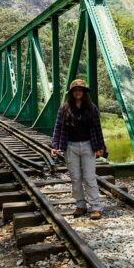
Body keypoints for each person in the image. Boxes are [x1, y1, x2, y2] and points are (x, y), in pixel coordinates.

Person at [51, 79, 107, 220]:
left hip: (88, 146)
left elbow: (97, 129)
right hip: (70, 147)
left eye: (80, 90)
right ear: (71, 93)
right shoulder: (64, 108)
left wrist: (101, 147)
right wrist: (55, 146)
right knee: (75, 178)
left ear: (84, 92)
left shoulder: (92, 108)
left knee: (89, 177)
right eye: (75, 90)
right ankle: (80, 205)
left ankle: (95, 207)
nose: (78, 92)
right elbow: (58, 127)